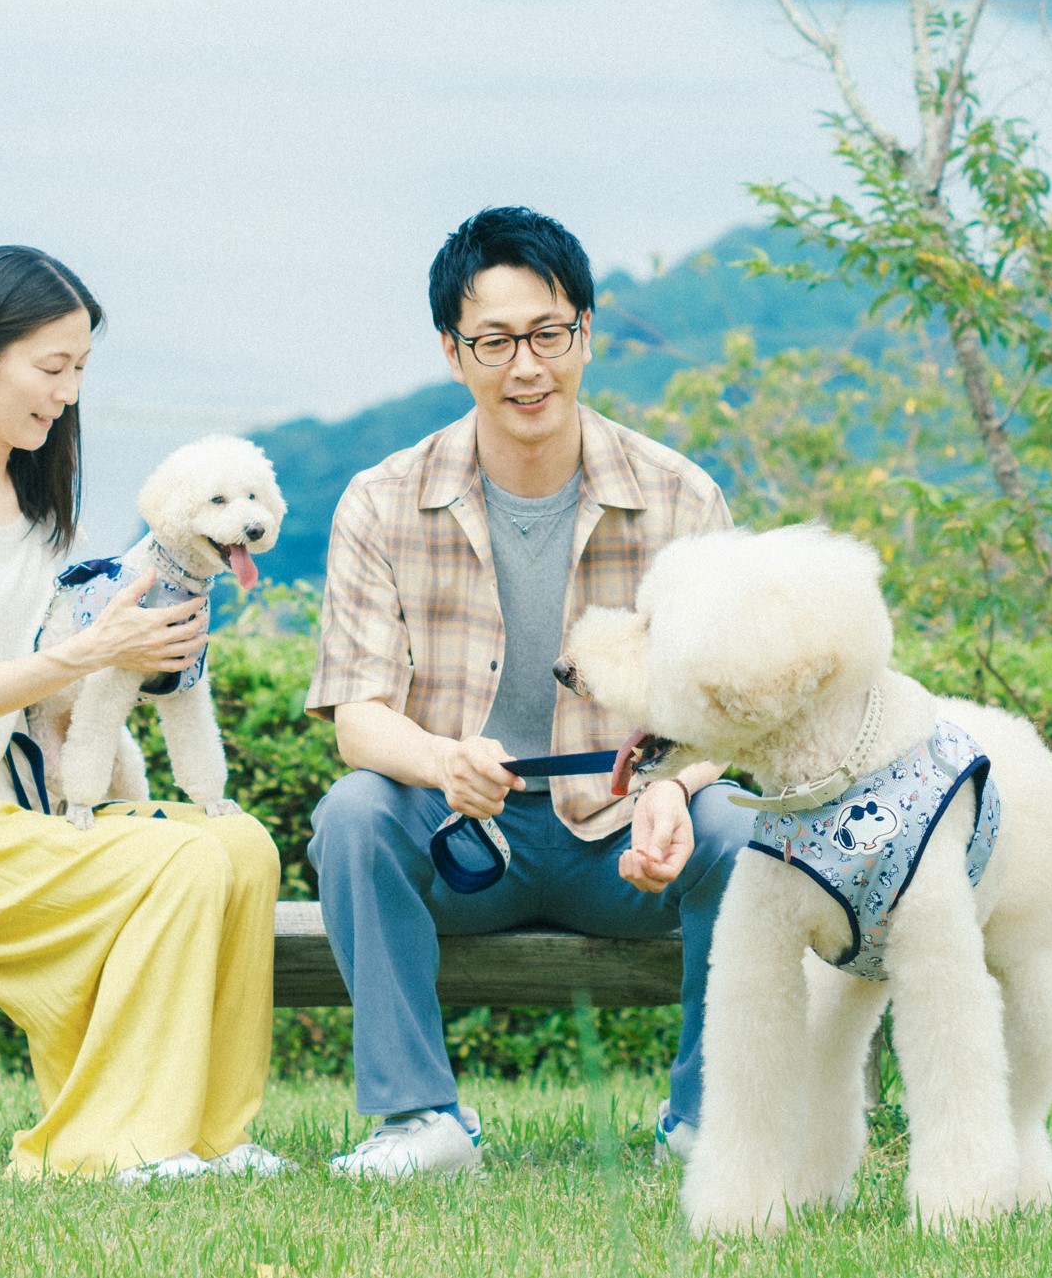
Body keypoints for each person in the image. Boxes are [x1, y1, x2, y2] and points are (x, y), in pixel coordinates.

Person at [304, 206, 750, 1179]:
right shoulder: (382, 499)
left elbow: (727, 705)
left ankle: (714, 1117)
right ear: (451, 351)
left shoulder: (679, 495)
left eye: (547, 334)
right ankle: (416, 1120)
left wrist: (672, 787)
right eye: (495, 341)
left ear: (584, 331)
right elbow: (357, 715)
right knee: (351, 816)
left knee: (740, 831)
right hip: (468, 838)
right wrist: (440, 760)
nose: (526, 367)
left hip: (628, 839)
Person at [0, 244, 283, 1182]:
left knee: (241, 844)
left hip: (23, 820)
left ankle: (215, 1137)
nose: (68, 393)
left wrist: (158, 652)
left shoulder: (33, 503)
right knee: (187, 861)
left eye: (79, 370)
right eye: (52, 367)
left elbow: (79, 684)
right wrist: (88, 652)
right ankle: (112, 1146)